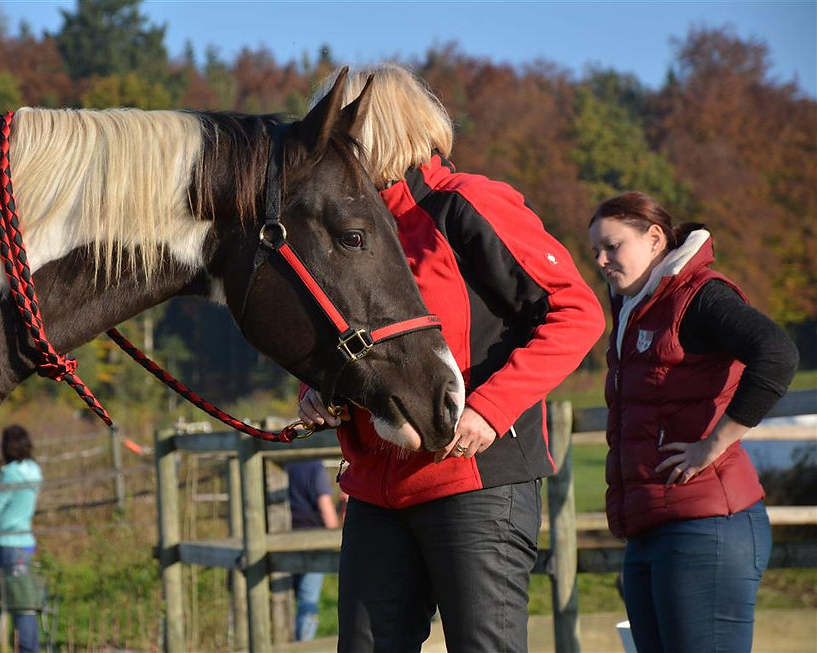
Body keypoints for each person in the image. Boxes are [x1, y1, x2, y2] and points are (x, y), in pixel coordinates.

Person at [297, 64, 606, 652]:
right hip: (375, 491)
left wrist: (489, 409)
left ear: (374, 133)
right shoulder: (343, 235)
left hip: (475, 481)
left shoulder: (466, 205)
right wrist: (325, 389)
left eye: (335, 134)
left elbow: (577, 313)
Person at [587, 191, 799, 652]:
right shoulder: (631, 306)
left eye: (613, 246)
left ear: (655, 237)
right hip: (648, 528)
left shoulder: (700, 294)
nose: (602, 260)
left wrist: (713, 445)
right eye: (595, 252)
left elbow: (777, 354)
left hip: (706, 526)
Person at [0, 425, 44, 653]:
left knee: (21, 605)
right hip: (27, 542)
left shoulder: (10, 474)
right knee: (25, 601)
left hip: (9, 545)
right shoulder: (34, 469)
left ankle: (28, 649)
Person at [286, 459, 340, 642]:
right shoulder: (313, 465)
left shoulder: (282, 462)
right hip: (312, 541)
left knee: (283, 596)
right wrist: (334, 536)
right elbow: (324, 504)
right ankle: (303, 645)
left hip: (281, 537)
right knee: (308, 600)